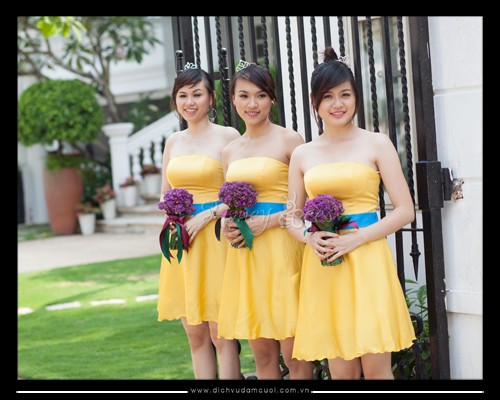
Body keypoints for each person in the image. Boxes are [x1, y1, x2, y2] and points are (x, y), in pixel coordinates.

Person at [286, 47, 416, 380]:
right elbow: (292, 217)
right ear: (315, 102)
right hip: (325, 263)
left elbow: (405, 211)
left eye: (345, 94)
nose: (338, 104)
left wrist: (357, 238)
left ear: (356, 97)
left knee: (376, 369)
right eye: (328, 96)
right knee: (341, 371)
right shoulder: (302, 154)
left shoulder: (377, 143)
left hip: (368, 259)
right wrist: (309, 237)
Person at [217, 62, 312, 380]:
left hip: (284, 250)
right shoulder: (229, 151)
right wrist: (229, 222)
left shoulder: (290, 140)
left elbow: (305, 205)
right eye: (244, 96)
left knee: (294, 353)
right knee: (262, 355)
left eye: (260, 95)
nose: (252, 104)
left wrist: (268, 222)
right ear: (233, 99)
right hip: (247, 254)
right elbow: (229, 202)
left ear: (272, 98)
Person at [156, 65, 241, 379]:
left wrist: (208, 214)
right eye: (182, 95)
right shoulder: (172, 142)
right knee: (195, 334)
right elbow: (164, 194)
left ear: (211, 98)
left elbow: (240, 194)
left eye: (197, 94)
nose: (189, 102)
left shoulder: (228, 136)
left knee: (221, 332)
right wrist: (174, 213)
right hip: (182, 240)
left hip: (216, 239)